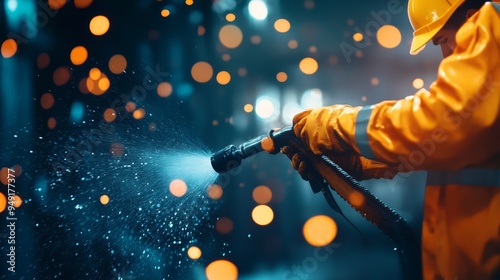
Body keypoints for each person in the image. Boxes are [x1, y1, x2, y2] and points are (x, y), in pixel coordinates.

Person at [288, 0, 500, 279]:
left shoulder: (493, 23)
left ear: (472, 16)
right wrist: (355, 160)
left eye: (443, 40)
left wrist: (335, 126)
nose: (445, 54)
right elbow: (443, 147)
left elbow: (441, 121)